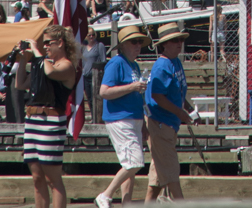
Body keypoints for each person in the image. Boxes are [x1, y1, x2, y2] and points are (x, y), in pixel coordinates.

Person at [19, 24, 78, 208]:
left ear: (60, 43)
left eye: (48, 43)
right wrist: (22, 60)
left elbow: (51, 72)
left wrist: (36, 52)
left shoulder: (66, 65)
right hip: (33, 121)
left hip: (51, 121)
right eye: (43, 44)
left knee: (53, 178)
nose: (45, 47)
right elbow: (20, 84)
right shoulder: (42, 64)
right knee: (37, 177)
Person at [95, 25, 150, 208]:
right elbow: (104, 91)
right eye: (134, 42)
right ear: (124, 45)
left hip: (134, 118)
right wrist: (132, 87)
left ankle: (127, 203)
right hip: (119, 118)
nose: (138, 45)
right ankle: (105, 195)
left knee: (129, 165)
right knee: (135, 162)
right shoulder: (116, 62)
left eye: (140, 42)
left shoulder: (133, 64)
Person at [144, 22, 192, 202]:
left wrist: (187, 107)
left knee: (156, 180)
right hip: (160, 124)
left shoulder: (176, 62)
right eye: (174, 40)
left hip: (169, 125)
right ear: (164, 44)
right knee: (172, 174)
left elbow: (176, 90)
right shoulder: (162, 66)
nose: (179, 43)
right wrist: (180, 113)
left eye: (180, 39)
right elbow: (157, 95)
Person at [82, 29, 108, 115]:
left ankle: (98, 117)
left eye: (93, 34)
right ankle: (93, 116)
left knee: (96, 98)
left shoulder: (99, 46)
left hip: (95, 77)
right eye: (89, 35)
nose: (91, 36)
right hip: (85, 76)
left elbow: (104, 61)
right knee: (89, 98)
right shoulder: (83, 48)